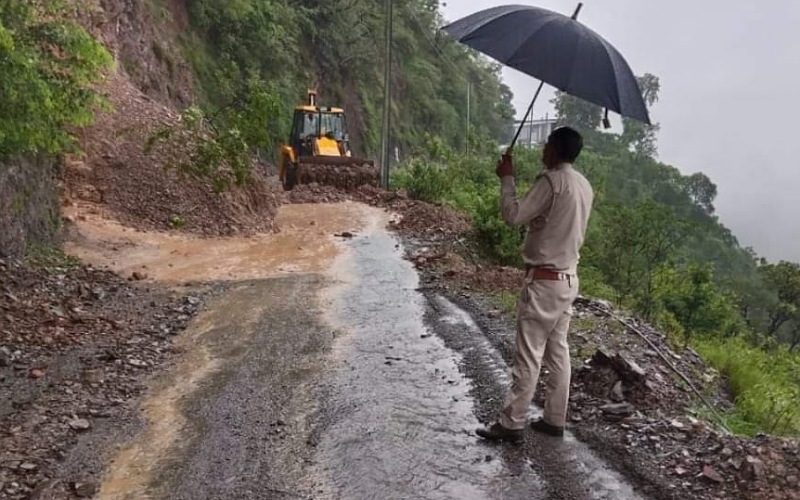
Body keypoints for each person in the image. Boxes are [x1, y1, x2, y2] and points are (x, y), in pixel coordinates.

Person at [476, 126, 594, 443]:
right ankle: (554, 419)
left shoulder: (552, 182)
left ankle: (512, 423)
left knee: (529, 354)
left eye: (546, 145)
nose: (542, 150)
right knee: (558, 352)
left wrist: (507, 178)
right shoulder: (584, 185)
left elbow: (514, 216)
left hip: (543, 282)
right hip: (568, 280)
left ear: (555, 149)